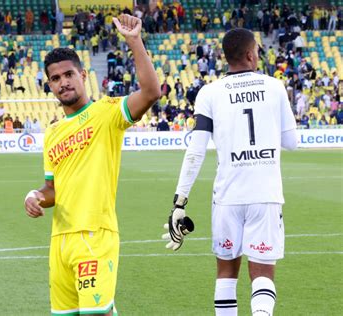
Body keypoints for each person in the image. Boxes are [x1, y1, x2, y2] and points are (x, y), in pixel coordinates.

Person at [24, 14, 160, 315]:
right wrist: (34, 196)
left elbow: (151, 92)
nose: (63, 83)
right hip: (59, 242)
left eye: (69, 75)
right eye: (56, 79)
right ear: (49, 85)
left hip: (94, 234)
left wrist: (134, 41)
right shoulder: (53, 133)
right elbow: (52, 189)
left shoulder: (105, 113)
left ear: (83, 76)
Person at [162, 28, 298, 316]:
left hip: (227, 196)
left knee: (226, 272)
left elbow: (196, 150)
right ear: (250, 54)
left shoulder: (209, 92)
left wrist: (180, 201)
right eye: (258, 52)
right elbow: (291, 143)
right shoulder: (275, 87)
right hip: (265, 193)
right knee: (262, 271)